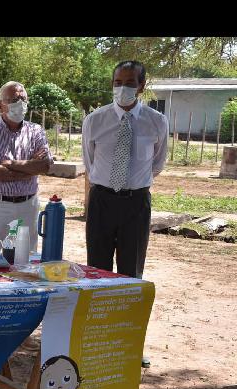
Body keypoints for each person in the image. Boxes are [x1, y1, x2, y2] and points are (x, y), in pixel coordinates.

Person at [82, 60, 168, 279]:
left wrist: (134, 183)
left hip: (136, 204)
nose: (123, 88)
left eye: (130, 82)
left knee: (131, 268)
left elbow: (157, 163)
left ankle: (127, 314)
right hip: (102, 201)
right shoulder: (94, 120)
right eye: (118, 82)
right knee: (97, 268)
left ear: (141, 85)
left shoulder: (157, 121)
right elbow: (89, 161)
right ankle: (100, 311)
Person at [0, 81, 52, 251]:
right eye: (14, 100)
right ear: (1, 106)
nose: (20, 104)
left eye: (23, 99)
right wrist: (29, 169)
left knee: (25, 259)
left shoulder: (36, 131)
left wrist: (9, 164)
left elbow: (44, 166)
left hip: (27, 205)